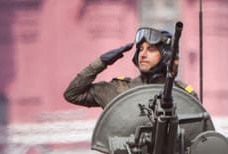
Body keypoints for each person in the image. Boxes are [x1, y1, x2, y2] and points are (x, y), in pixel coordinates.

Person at [63, 26, 196, 109]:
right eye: (141, 49)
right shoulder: (118, 90)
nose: (143, 54)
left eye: (151, 49)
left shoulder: (183, 95)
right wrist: (101, 62)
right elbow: (72, 94)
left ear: (166, 56)